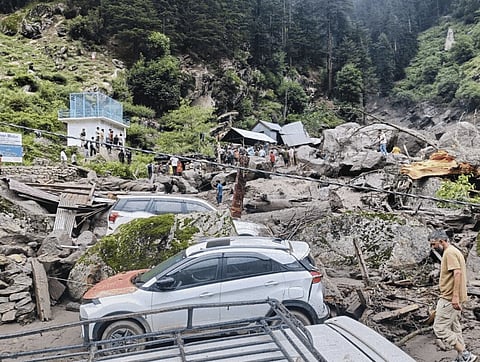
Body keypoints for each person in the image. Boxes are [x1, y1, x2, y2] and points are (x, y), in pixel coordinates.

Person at [428, 230, 477, 362]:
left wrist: (454, 297)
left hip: (449, 298)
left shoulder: (449, 253)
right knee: (455, 327)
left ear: (441, 241)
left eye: (434, 244)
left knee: (439, 328)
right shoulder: (454, 251)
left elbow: (457, 274)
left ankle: (465, 354)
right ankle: (462, 356)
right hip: (454, 296)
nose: (433, 247)